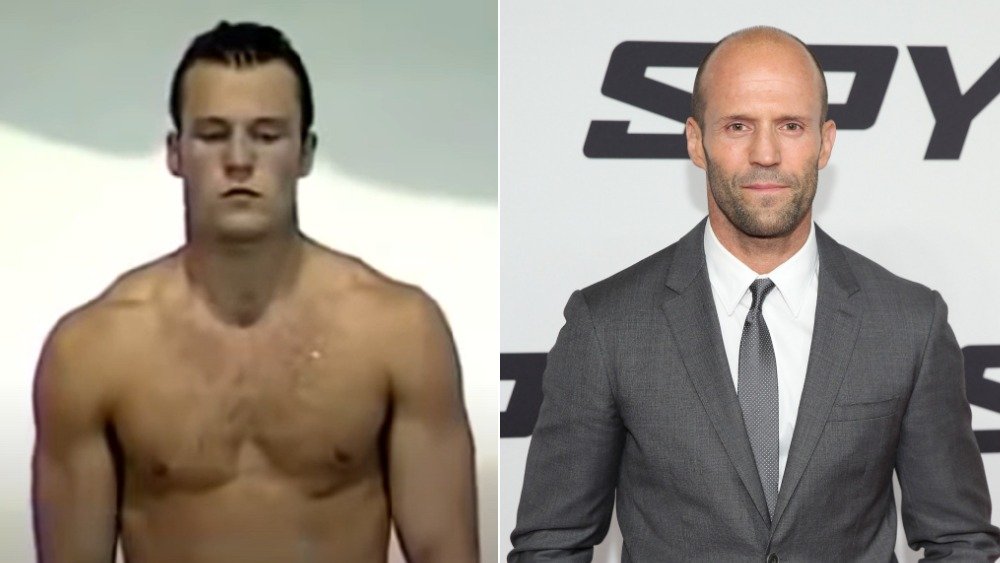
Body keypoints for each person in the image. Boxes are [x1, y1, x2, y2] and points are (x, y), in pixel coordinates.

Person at [509, 26, 998, 561]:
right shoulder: (606, 325)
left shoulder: (909, 324)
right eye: (738, 125)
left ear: (825, 142)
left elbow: (960, 541)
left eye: (790, 125)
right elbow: (552, 544)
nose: (765, 153)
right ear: (696, 141)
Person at [32, 21, 478, 562]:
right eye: (214, 134)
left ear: (306, 153)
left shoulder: (398, 333)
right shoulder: (93, 352)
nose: (239, 160)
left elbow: (445, 552)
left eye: (266, 135)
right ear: (175, 153)